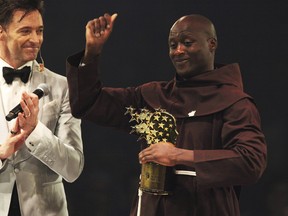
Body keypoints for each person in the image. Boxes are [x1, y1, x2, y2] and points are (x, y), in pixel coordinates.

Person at [66, 13, 267, 216]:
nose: (178, 51)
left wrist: (178, 155)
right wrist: (91, 53)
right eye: (173, 45)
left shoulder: (234, 101)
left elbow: (251, 162)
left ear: (211, 44)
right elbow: (88, 104)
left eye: (187, 43)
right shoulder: (153, 96)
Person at [0, 0, 84, 215]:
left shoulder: (62, 87)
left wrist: (35, 131)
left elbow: (73, 169)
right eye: (25, 31)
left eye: (39, 31)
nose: (35, 40)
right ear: (1, 32)